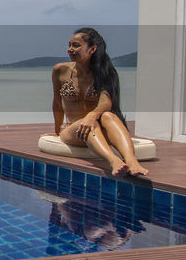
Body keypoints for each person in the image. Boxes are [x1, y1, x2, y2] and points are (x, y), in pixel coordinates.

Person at [51, 27, 149, 177]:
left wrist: (91, 116)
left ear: (92, 49)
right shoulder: (60, 70)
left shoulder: (105, 72)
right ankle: (113, 161)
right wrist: (57, 130)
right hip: (72, 131)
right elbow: (57, 103)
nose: (70, 49)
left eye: (76, 45)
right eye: (69, 45)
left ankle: (131, 161)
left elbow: (106, 101)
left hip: (97, 127)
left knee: (108, 116)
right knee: (90, 124)